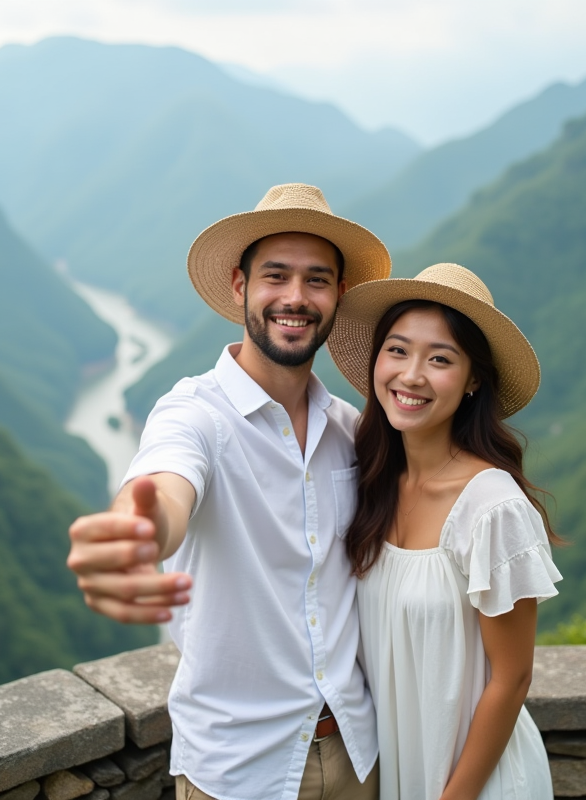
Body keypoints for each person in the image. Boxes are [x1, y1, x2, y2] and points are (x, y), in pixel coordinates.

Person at [66, 184, 389, 800]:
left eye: (317, 280)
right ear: (240, 287)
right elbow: (164, 486)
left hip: (356, 757)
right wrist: (136, 534)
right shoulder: (194, 415)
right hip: (239, 774)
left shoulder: (351, 430)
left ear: (339, 297)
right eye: (276, 276)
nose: (295, 297)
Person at [326, 262, 563, 800]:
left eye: (440, 359)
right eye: (398, 350)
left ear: (473, 379)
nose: (411, 376)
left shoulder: (491, 507)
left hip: (477, 786)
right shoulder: (372, 485)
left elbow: (512, 679)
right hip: (397, 775)